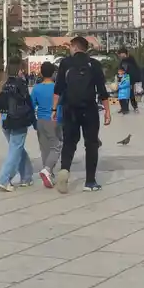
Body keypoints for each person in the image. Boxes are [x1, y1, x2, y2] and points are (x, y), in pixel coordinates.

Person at [53, 35, 110, 193]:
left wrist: (53, 109)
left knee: (69, 142)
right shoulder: (94, 64)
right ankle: (90, 182)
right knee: (91, 144)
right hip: (90, 110)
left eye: (71, 47)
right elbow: (102, 91)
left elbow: (58, 89)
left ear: (75, 47)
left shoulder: (65, 63)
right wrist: (107, 112)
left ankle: (65, 170)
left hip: (70, 109)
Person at [0, 61, 35, 191]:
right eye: (22, 69)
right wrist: (32, 117)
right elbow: (28, 101)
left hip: (4, 118)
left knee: (17, 147)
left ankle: (26, 176)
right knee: (15, 149)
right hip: (17, 119)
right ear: (18, 70)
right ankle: (4, 179)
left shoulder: (1, 84)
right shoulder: (20, 83)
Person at [31, 61, 61, 188]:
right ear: (54, 73)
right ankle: (48, 169)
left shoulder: (36, 88)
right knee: (57, 146)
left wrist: (33, 121)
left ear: (41, 73)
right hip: (53, 119)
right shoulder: (57, 88)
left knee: (44, 148)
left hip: (40, 120)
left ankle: (49, 175)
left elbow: (31, 106)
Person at [116, 48, 141, 114]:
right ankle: (124, 108)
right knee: (123, 95)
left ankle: (135, 107)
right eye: (119, 55)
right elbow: (120, 69)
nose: (120, 56)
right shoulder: (122, 61)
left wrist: (136, 80)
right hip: (123, 80)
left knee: (131, 95)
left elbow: (135, 70)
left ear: (124, 53)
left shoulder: (131, 59)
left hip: (131, 80)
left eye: (121, 54)